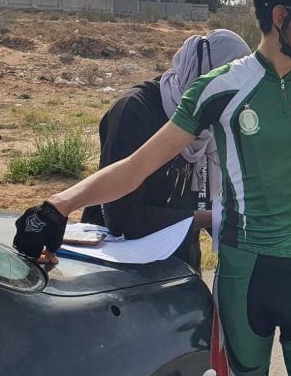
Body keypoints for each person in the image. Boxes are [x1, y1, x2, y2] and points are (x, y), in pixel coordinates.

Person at [12, 0, 291, 376]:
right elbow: (137, 167)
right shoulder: (219, 86)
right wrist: (57, 206)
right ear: (280, 16)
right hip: (240, 283)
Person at [78, 29, 252, 269]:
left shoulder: (209, 125)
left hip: (177, 264)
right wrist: (215, 218)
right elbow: (123, 217)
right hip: (119, 266)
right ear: (208, 77)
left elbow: (206, 199)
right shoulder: (135, 111)